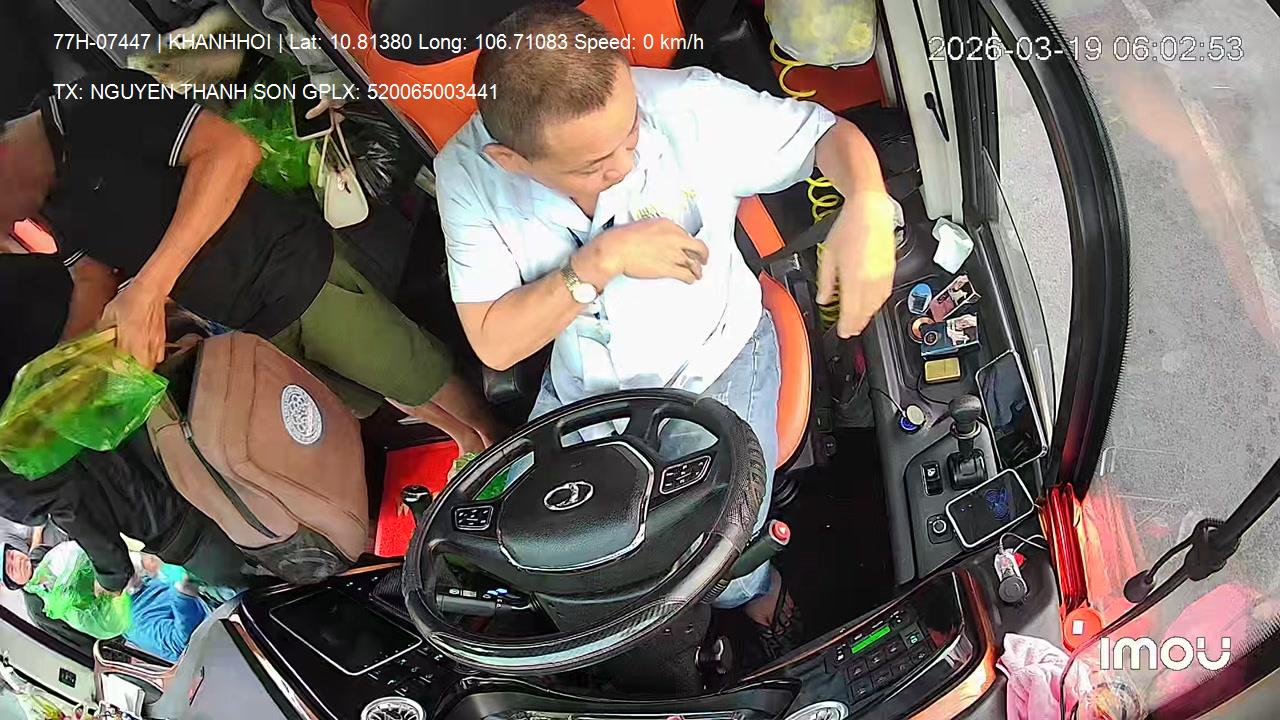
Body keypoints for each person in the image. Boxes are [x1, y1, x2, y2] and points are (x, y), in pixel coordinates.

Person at [436, 5, 897, 656]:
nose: (627, 162)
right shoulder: (468, 175)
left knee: (715, 535)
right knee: (533, 540)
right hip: (584, 389)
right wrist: (602, 260)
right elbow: (495, 340)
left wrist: (868, 199)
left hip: (714, 359)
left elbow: (826, 136)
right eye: (596, 165)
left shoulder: (686, 106)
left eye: (630, 133)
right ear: (510, 159)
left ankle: (755, 592)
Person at [0, 68, 500, 455]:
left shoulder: (95, 102)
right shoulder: (48, 202)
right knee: (380, 386)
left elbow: (232, 151)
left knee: (414, 372)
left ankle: (501, 446)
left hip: (288, 266)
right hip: (249, 315)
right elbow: (89, 276)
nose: (11, 229)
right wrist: (59, 375)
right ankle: (466, 445)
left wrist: (149, 290)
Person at [0, 253, 251, 597]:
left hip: (168, 496)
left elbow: (71, 500)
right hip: (189, 376)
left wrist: (112, 575)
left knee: (274, 566)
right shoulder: (15, 276)